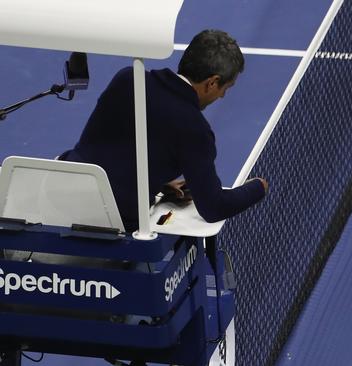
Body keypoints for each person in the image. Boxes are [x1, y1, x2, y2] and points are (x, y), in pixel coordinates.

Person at [59, 29, 268, 232]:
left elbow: (115, 150)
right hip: (111, 221)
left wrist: (157, 182)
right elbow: (213, 207)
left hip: (61, 192)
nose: (222, 96)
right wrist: (257, 187)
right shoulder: (194, 128)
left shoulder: (127, 78)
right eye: (226, 88)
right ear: (211, 83)